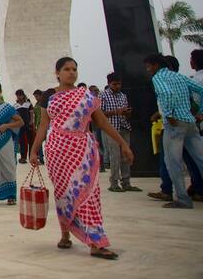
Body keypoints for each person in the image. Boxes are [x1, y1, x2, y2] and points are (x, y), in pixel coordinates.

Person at [29, 57, 132, 260]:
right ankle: (65, 234)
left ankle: (96, 242)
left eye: (74, 69)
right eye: (67, 69)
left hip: (83, 150)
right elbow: (43, 126)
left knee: (89, 194)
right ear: (57, 73)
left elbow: (102, 122)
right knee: (63, 194)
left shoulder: (87, 96)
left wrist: (123, 143)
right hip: (57, 150)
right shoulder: (48, 97)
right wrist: (33, 151)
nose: (71, 72)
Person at [144, 52, 203, 209]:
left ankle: (183, 199)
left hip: (174, 124)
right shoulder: (180, 76)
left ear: (156, 65)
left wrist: (168, 113)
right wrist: (200, 113)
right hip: (190, 123)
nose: (148, 69)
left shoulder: (158, 78)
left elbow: (166, 93)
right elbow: (201, 89)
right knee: (200, 158)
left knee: (173, 163)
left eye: (149, 66)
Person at [99, 73, 140, 192]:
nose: (117, 86)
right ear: (109, 83)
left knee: (125, 156)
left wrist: (126, 113)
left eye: (119, 84)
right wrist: (117, 111)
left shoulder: (123, 96)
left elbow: (126, 113)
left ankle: (126, 182)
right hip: (111, 128)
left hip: (124, 127)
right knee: (115, 156)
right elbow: (100, 114)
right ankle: (114, 183)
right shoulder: (103, 95)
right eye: (114, 84)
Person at [15, 89, 33, 163]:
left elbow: (31, 114)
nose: (19, 97)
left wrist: (31, 121)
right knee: (22, 142)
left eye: (20, 95)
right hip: (20, 126)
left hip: (28, 124)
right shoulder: (15, 105)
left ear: (23, 95)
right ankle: (23, 157)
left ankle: (31, 156)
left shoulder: (28, 104)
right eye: (18, 95)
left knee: (31, 140)